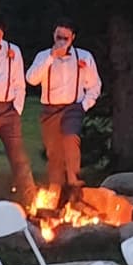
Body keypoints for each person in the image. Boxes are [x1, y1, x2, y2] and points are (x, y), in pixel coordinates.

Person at [25, 19, 101, 187]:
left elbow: (95, 85)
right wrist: (51, 58)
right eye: (58, 37)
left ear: (72, 38)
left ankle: (74, 180)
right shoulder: (43, 56)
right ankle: (56, 189)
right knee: (54, 153)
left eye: (65, 38)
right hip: (50, 109)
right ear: (54, 35)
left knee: (70, 137)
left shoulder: (84, 56)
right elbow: (31, 79)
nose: (61, 41)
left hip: (73, 107)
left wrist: (84, 105)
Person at [0, 15, 37, 204]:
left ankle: (30, 199)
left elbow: (20, 82)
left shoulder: (13, 50)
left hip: (8, 109)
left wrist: (16, 109)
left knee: (19, 157)